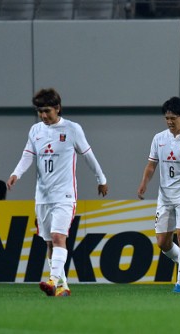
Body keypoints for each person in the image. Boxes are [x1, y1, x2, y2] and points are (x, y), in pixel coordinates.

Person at [7, 88, 108, 297]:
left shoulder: (72, 129)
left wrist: (102, 179)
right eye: (40, 111)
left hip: (65, 195)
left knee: (58, 236)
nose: (43, 115)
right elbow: (28, 155)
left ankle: (52, 281)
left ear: (57, 108)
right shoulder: (35, 131)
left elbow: (89, 155)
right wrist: (16, 173)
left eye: (47, 111)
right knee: (49, 242)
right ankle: (63, 286)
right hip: (42, 196)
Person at [137, 96, 180, 293]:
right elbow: (151, 165)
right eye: (167, 118)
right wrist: (144, 183)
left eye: (173, 118)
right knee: (162, 242)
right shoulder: (159, 139)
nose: (169, 122)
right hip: (165, 197)